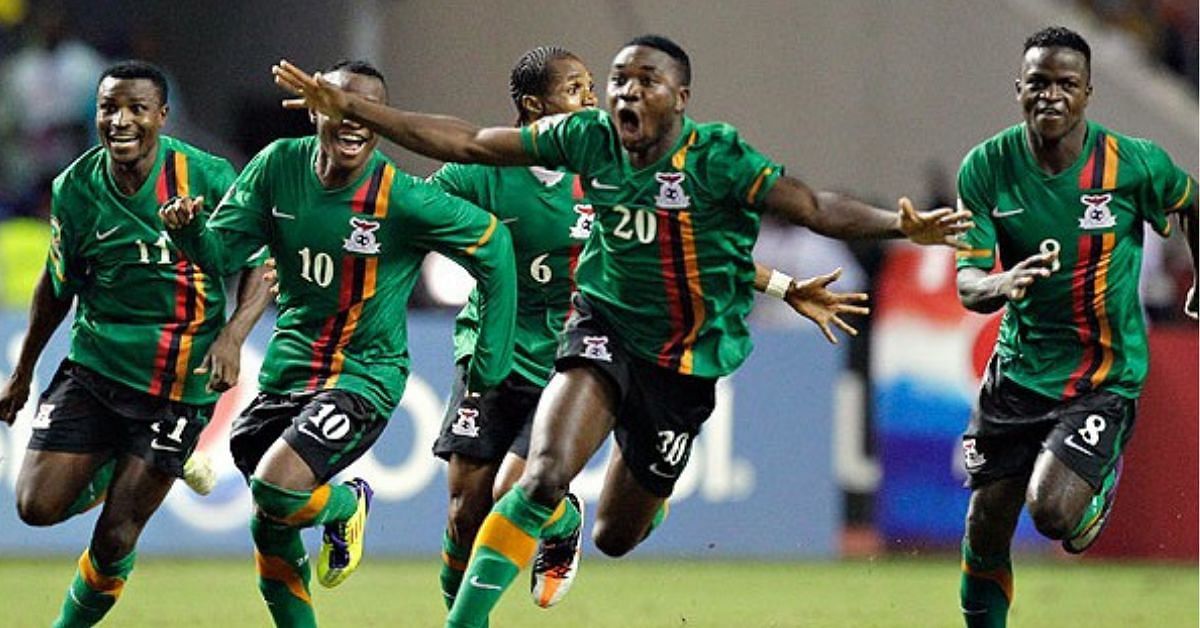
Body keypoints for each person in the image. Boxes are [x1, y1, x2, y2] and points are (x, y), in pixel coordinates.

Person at [273, 35, 969, 628]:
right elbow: (467, 141)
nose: (625, 94)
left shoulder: (717, 157)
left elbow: (813, 206)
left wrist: (896, 228)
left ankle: (624, 504)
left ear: (680, 99)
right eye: (617, 81)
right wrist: (356, 107)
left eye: (647, 82)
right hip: (598, 328)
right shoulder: (588, 140)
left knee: (616, 534)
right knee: (540, 474)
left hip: (683, 363)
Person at [427, 44, 871, 614]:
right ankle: (516, 559)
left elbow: (699, 253)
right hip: (493, 348)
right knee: (466, 510)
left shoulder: (605, 162)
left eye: (593, 88)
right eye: (577, 91)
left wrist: (783, 286)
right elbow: (407, 212)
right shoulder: (486, 171)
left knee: (522, 491)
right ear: (533, 107)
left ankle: (560, 515)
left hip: (574, 345)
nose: (592, 101)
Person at [159, 60, 517, 628]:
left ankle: (348, 502)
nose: (353, 123)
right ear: (314, 109)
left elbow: (493, 245)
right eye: (342, 106)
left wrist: (491, 362)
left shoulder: (401, 197)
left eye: (365, 112)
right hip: (287, 373)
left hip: (363, 375)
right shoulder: (278, 166)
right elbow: (225, 255)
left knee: (275, 491)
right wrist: (189, 234)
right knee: (268, 520)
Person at [0, 60, 270, 627]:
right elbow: (57, 286)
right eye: (108, 108)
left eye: (136, 109)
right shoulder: (75, 188)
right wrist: (23, 372)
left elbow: (259, 264)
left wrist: (234, 334)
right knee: (34, 506)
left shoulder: (209, 177)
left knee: (117, 533)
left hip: (178, 384)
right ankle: (125, 456)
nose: (120, 120)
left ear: (161, 117)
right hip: (95, 368)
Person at [953, 26, 1197, 627]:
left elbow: (1191, 200)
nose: (1051, 96)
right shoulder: (985, 168)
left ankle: (1094, 485)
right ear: (1019, 90)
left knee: (1052, 514)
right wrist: (999, 284)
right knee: (985, 527)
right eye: (1039, 83)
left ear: (1088, 92)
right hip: (1018, 371)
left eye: (1067, 84)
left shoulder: (1132, 164)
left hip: (1102, 374)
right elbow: (967, 282)